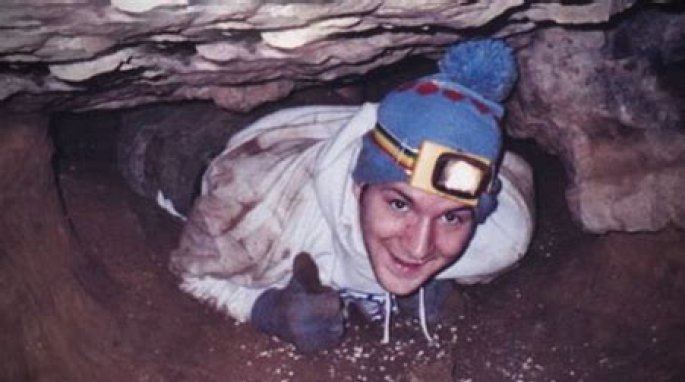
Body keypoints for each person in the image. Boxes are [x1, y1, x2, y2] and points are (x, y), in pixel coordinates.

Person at [170, 39, 534, 353]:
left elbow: (509, 172)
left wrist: (433, 283)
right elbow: (192, 274)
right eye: (399, 204)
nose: (419, 247)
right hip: (242, 142)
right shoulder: (259, 215)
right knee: (167, 154)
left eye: (451, 216)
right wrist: (263, 309)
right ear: (360, 187)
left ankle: (344, 95)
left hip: (356, 128)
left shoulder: (501, 243)